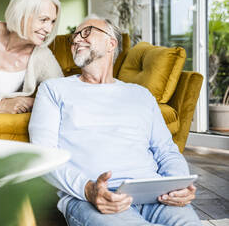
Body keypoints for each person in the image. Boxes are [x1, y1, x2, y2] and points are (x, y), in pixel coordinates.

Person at [28, 14, 201, 226]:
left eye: (86, 32)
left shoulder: (141, 94)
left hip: (155, 193)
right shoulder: (54, 89)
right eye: (74, 38)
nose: (76, 40)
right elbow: (43, 155)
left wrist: (177, 184)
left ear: (111, 43)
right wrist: (89, 190)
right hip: (93, 198)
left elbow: (167, 150)